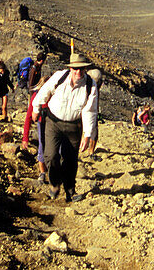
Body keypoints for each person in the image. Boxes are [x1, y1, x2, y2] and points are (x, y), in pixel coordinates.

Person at [32, 52, 99, 202]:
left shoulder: (90, 85)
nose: (78, 72)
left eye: (81, 69)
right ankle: (55, 184)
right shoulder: (59, 77)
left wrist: (87, 135)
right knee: (51, 155)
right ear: (70, 69)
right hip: (53, 122)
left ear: (85, 69)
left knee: (71, 160)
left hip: (74, 126)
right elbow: (45, 91)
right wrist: (36, 108)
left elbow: (90, 110)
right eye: (75, 69)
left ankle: (70, 191)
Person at [80, 67, 103, 156]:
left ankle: (84, 148)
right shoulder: (94, 88)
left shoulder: (85, 85)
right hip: (90, 112)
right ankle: (91, 151)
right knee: (94, 131)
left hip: (84, 112)